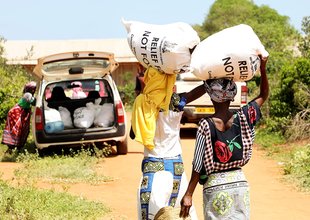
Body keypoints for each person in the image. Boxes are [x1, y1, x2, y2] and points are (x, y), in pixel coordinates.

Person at [179, 56, 269, 219]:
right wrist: (262, 68)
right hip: (240, 184)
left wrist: (188, 194)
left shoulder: (205, 125)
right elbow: (264, 94)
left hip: (215, 187)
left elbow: (198, 163)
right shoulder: (244, 116)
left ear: (212, 96)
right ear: (232, 95)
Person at [135, 81, 206, 220]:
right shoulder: (176, 101)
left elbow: (133, 133)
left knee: (154, 215)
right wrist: (211, 80)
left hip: (152, 169)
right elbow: (198, 91)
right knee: (180, 214)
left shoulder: (143, 103)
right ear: (171, 87)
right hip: (176, 169)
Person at [1, 81, 37, 153]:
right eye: (35, 89)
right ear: (32, 89)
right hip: (16, 113)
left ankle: (15, 148)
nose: (35, 90)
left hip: (20, 113)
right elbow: (33, 102)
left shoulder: (28, 94)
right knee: (16, 129)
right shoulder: (28, 94)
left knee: (22, 129)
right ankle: (11, 148)